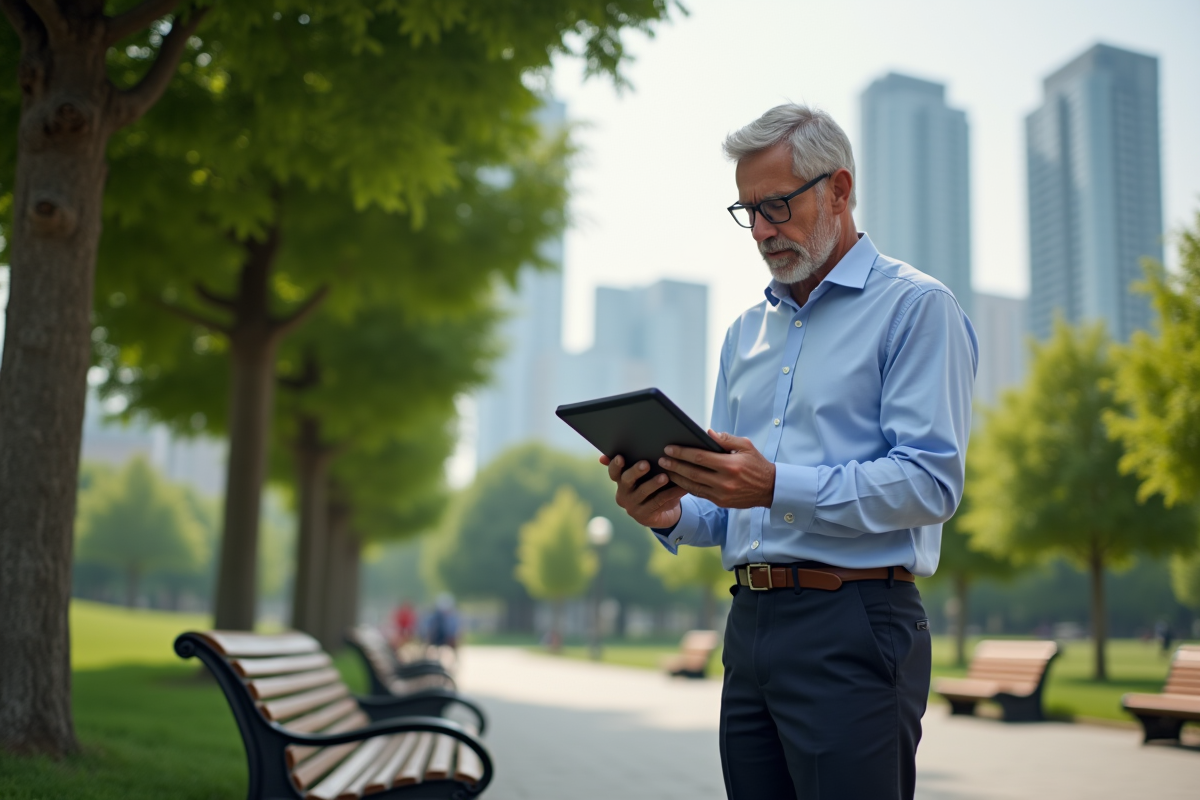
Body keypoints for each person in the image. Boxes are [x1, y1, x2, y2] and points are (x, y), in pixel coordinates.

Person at [603, 104, 977, 799]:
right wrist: (666, 512)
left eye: (776, 205)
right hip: (749, 626)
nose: (762, 230)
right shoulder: (743, 334)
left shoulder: (916, 308)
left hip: (855, 624)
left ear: (839, 190)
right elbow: (729, 506)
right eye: (748, 212)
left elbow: (929, 483)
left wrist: (775, 485)